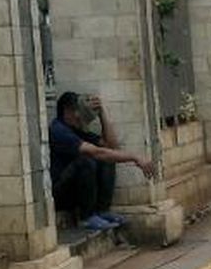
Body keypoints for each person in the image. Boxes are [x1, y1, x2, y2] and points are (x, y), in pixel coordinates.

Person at [50, 92, 155, 231]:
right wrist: (135, 157)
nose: (82, 121)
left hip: (75, 191)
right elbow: (96, 153)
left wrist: (102, 114)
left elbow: (112, 147)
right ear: (68, 111)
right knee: (87, 161)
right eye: (79, 116)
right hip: (58, 195)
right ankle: (86, 218)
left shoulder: (77, 129)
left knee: (107, 157)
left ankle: (102, 211)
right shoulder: (58, 130)